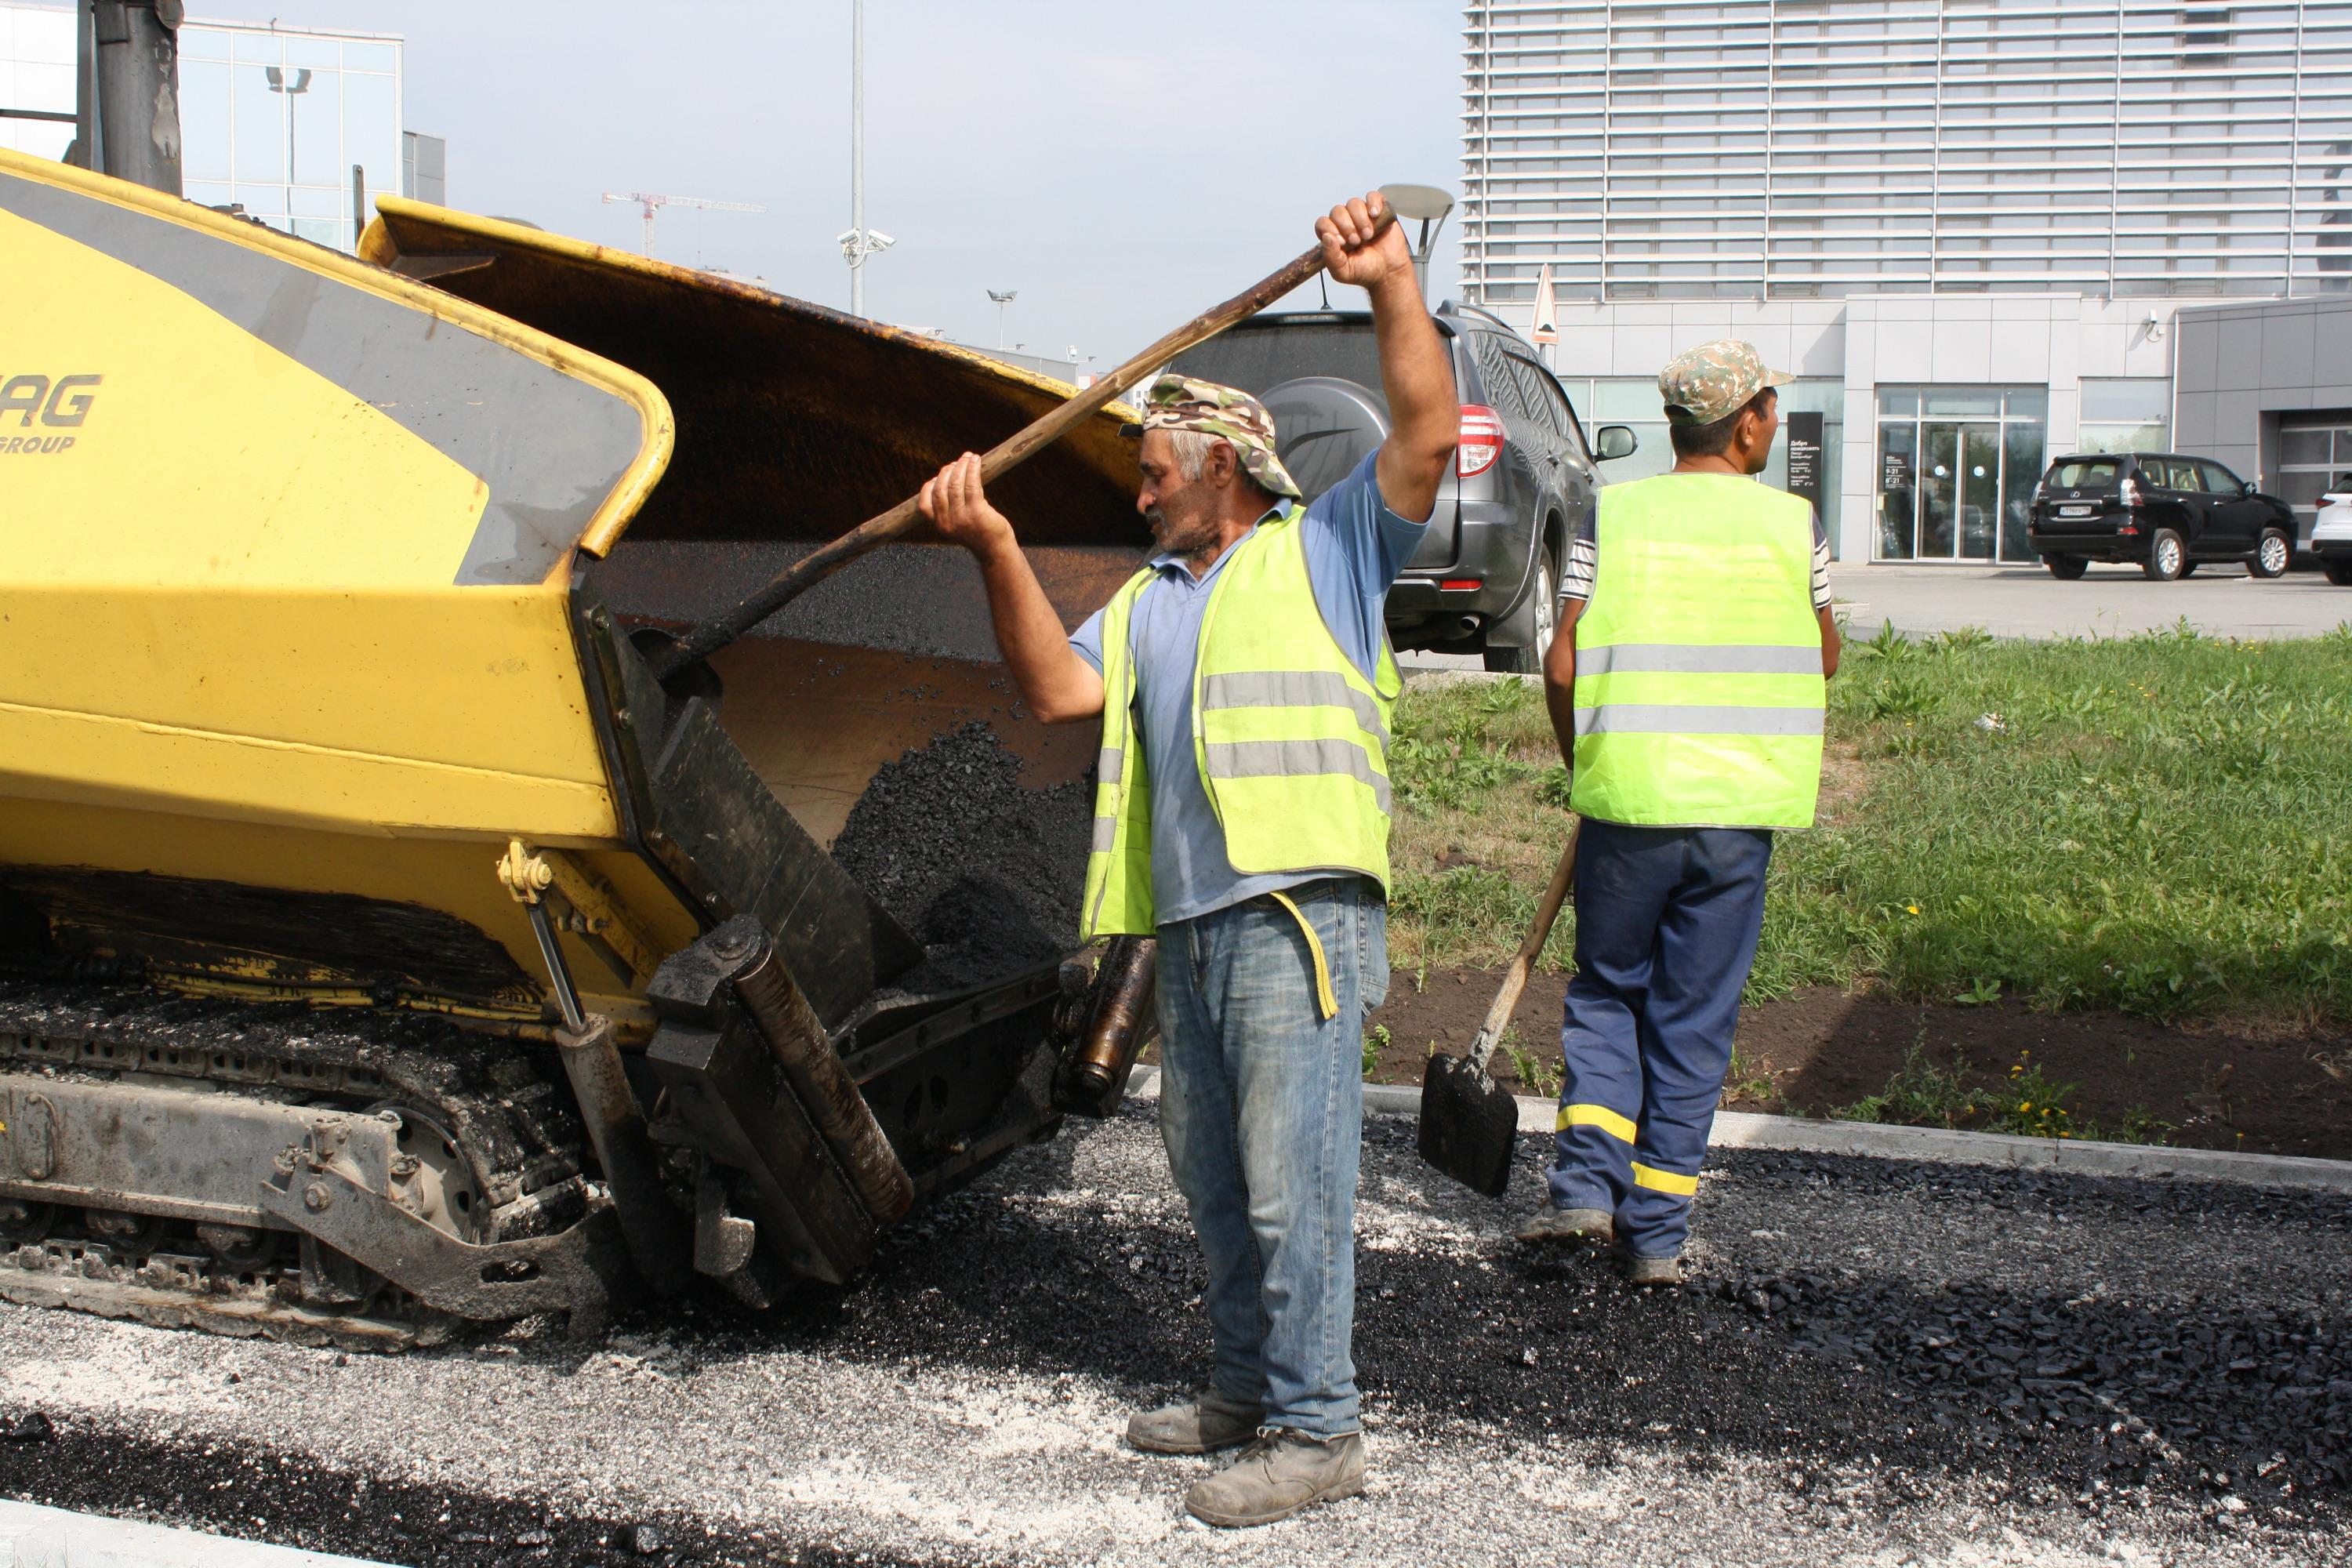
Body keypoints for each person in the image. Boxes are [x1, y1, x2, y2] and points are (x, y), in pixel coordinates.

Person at [914, 192, 1457, 1528]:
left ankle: (1320, 1429)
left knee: (1294, 1176)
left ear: (1223, 467)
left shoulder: (1322, 552)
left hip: (1299, 917)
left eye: (1156, 467)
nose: (1140, 486)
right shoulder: (1148, 604)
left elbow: (1432, 435)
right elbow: (1052, 695)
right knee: (1211, 1174)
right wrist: (992, 545)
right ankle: (1242, 1390)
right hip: (1197, 928)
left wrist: (1389, 284)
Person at [1519, 339, 1840, 1286]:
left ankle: (1583, 1186)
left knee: (1610, 992)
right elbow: (1822, 657)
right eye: (1773, 411)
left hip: (1630, 806)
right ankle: (1655, 1238)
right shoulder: (1795, 525)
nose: (1775, 426)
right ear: (1748, 423)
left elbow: (1564, 662)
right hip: (1739, 814)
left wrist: (1590, 761)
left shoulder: (1609, 515)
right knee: (1694, 1019)